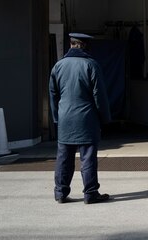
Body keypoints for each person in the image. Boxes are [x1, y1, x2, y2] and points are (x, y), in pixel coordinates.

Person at [49, 33, 112, 204]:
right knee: (88, 157)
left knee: (64, 157)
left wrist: (57, 118)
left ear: (71, 44)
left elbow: (53, 95)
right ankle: (90, 193)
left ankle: (60, 193)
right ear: (84, 46)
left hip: (65, 119)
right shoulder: (91, 65)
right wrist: (105, 118)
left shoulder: (58, 66)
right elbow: (99, 96)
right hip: (87, 119)